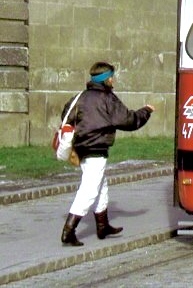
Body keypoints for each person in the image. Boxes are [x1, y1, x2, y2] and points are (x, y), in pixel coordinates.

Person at [60, 61, 154, 247]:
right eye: (111, 77)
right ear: (106, 79)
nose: (113, 80)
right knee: (89, 190)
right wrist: (146, 111)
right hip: (96, 149)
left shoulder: (79, 97)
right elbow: (128, 120)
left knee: (101, 185)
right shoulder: (107, 99)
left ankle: (102, 226)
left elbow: (65, 115)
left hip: (82, 148)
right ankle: (68, 231)